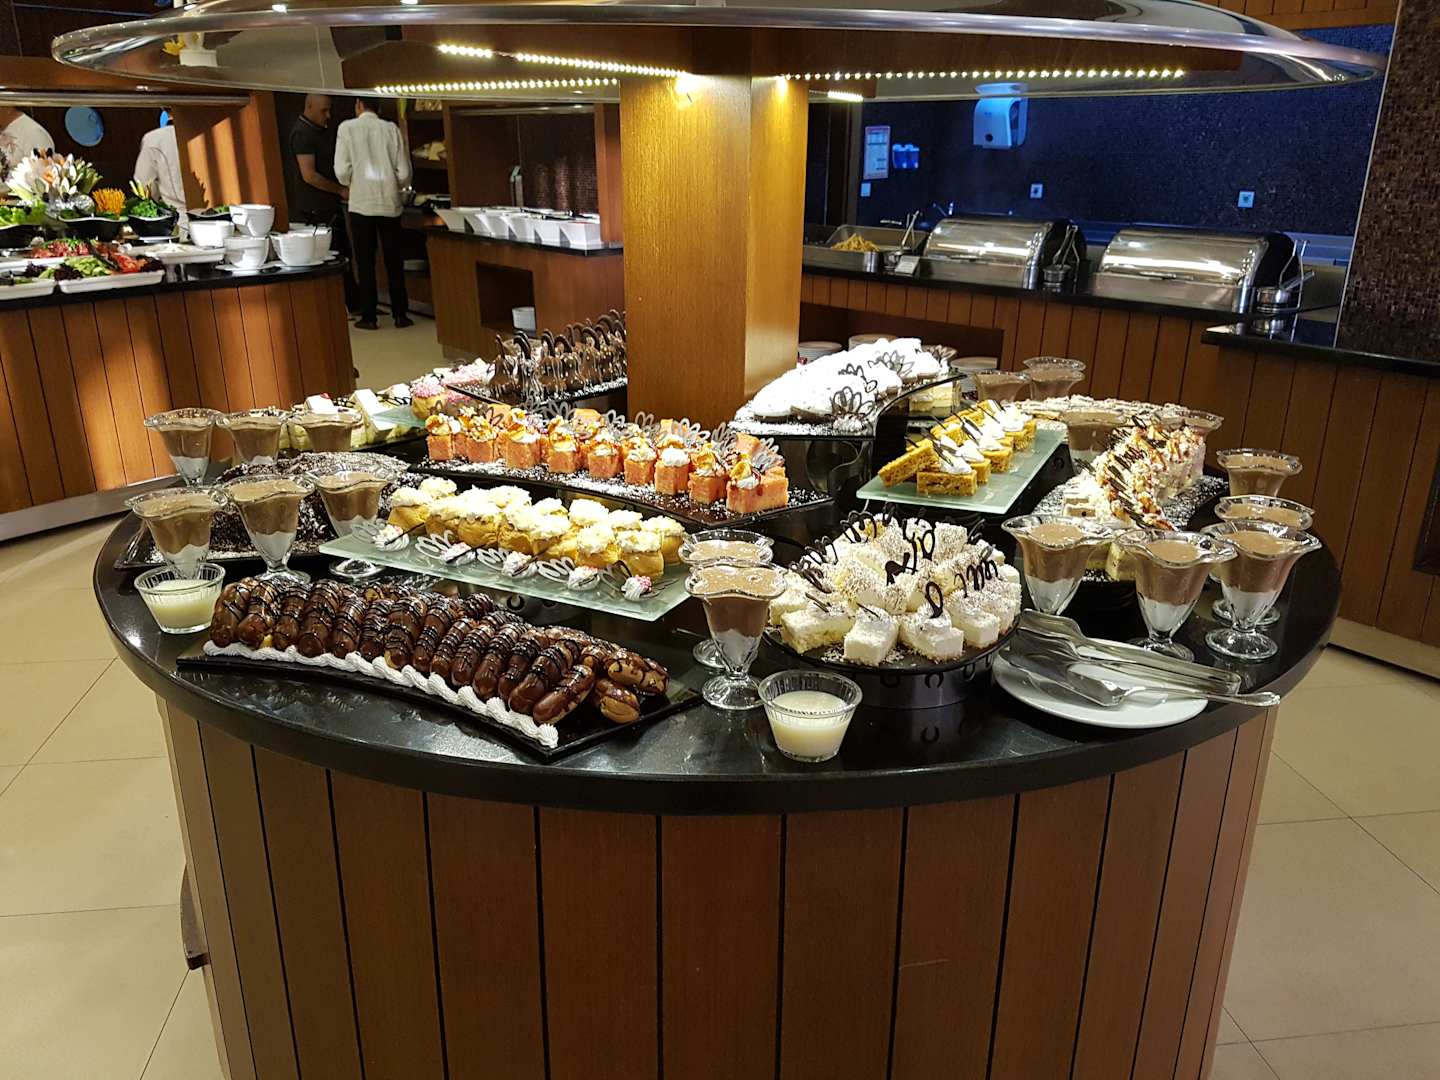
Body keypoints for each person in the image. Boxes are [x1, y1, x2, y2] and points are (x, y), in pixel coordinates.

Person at [334, 97, 412, 330]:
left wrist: (353, 180)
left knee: (365, 262)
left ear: (358, 105)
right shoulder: (391, 129)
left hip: (361, 204)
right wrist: (394, 183)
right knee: (394, 260)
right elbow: (404, 172)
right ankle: (400, 314)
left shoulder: (346, 128)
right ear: (378, 107)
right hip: (389, 203)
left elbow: (341, 171)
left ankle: (369, 316)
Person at [286, 93, 357, 311]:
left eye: (329, 109)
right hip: (315, 208)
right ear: (309, 107)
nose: (328, 115)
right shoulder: (302, 133)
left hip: (328, 204)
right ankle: (338, 305)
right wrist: (340, 190)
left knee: (342, 254)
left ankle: (353, 302)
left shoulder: (319, 131)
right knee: (330, 257)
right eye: (323, 110)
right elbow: (309, 175)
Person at [133, 113, 185, 211]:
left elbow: (144, 185)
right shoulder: (212, 131)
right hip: (213, 214)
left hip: (177, 215)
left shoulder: (154, 139)